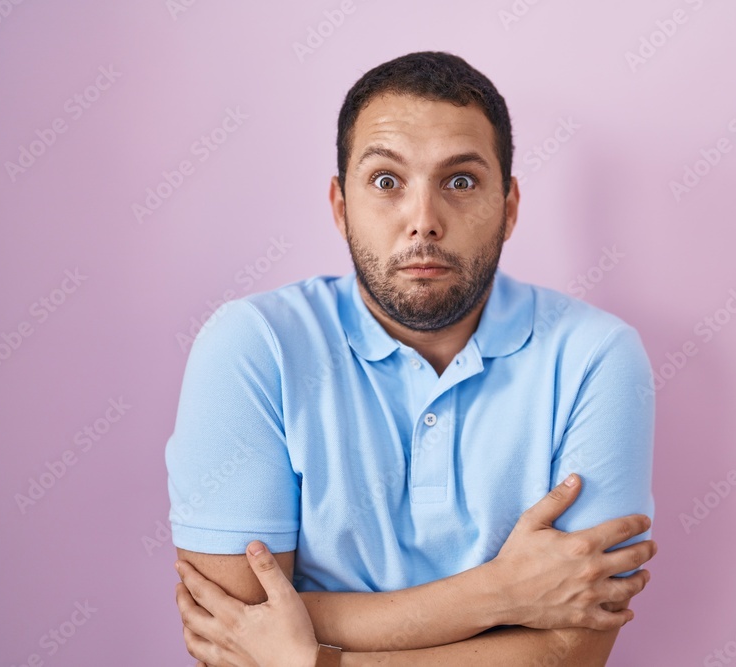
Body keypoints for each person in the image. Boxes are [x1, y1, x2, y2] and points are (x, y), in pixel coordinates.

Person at [166, 50, 657, 666]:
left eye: (460, 182)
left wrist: (316, 660)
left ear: (509, 207)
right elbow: (231, 627)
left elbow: (572, 650)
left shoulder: (595, 357)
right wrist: (503, 592)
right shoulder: (253, 345)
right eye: (386, 181)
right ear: (341, 206)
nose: (423, 222)